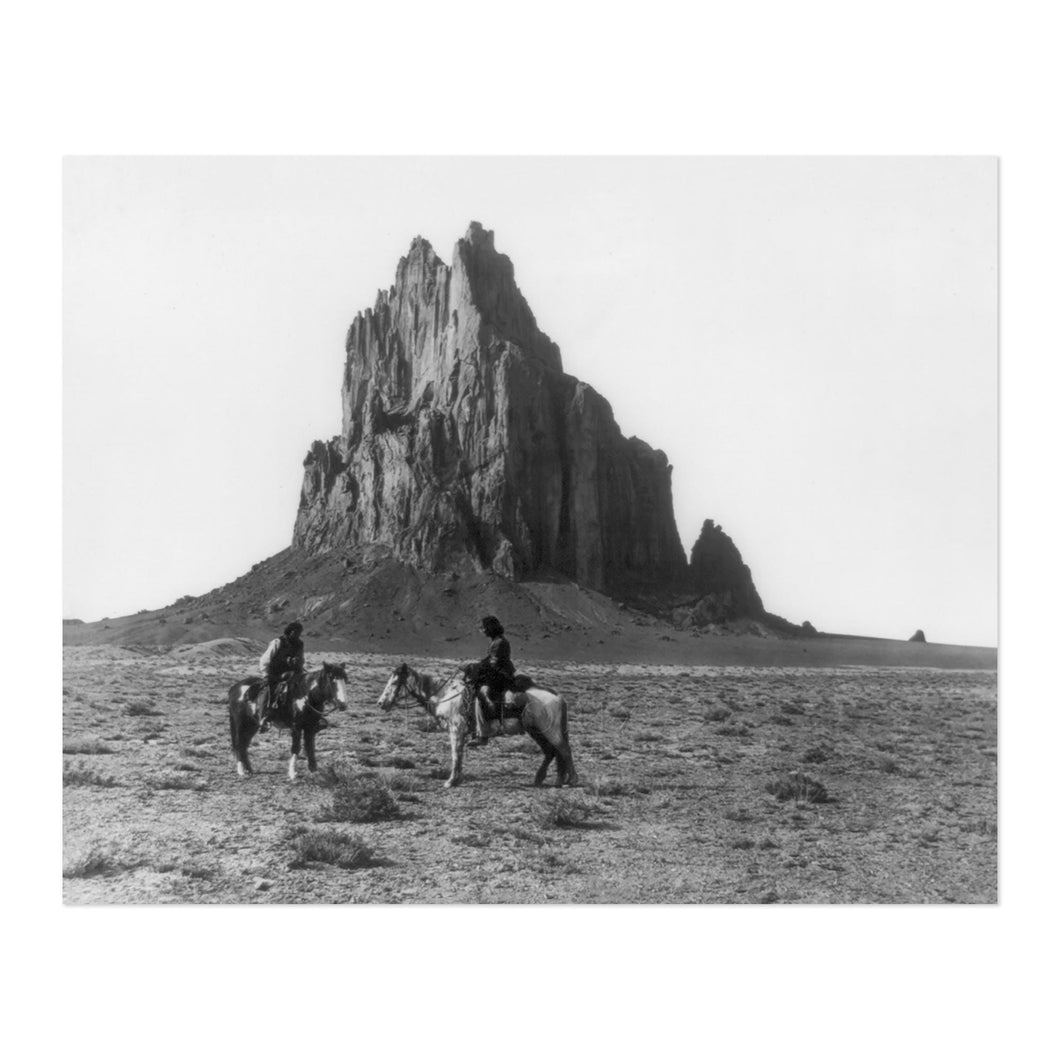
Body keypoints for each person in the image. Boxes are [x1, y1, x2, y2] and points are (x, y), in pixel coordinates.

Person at [469, 615, 515, 746]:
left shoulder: (499, 642)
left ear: (489, 628)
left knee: (481, 695)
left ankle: (483, 735)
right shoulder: (497, 641)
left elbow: (493, 663)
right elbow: (490, 660)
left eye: (483, 628)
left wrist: (476, 667)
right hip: (499, 672)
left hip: (500, 676)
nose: (482, 630)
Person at [257, 621, 306, 731]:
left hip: (293, 674)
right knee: (268, 691)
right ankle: (264, 717)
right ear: (290, 631)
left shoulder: (300, 644)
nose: (298, 634)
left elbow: (301, 658)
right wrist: (266, 674)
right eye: (296, 632)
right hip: (276, 674)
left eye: (300, 632)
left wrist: (298, 663)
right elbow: (265, 659)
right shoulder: (278, 642)